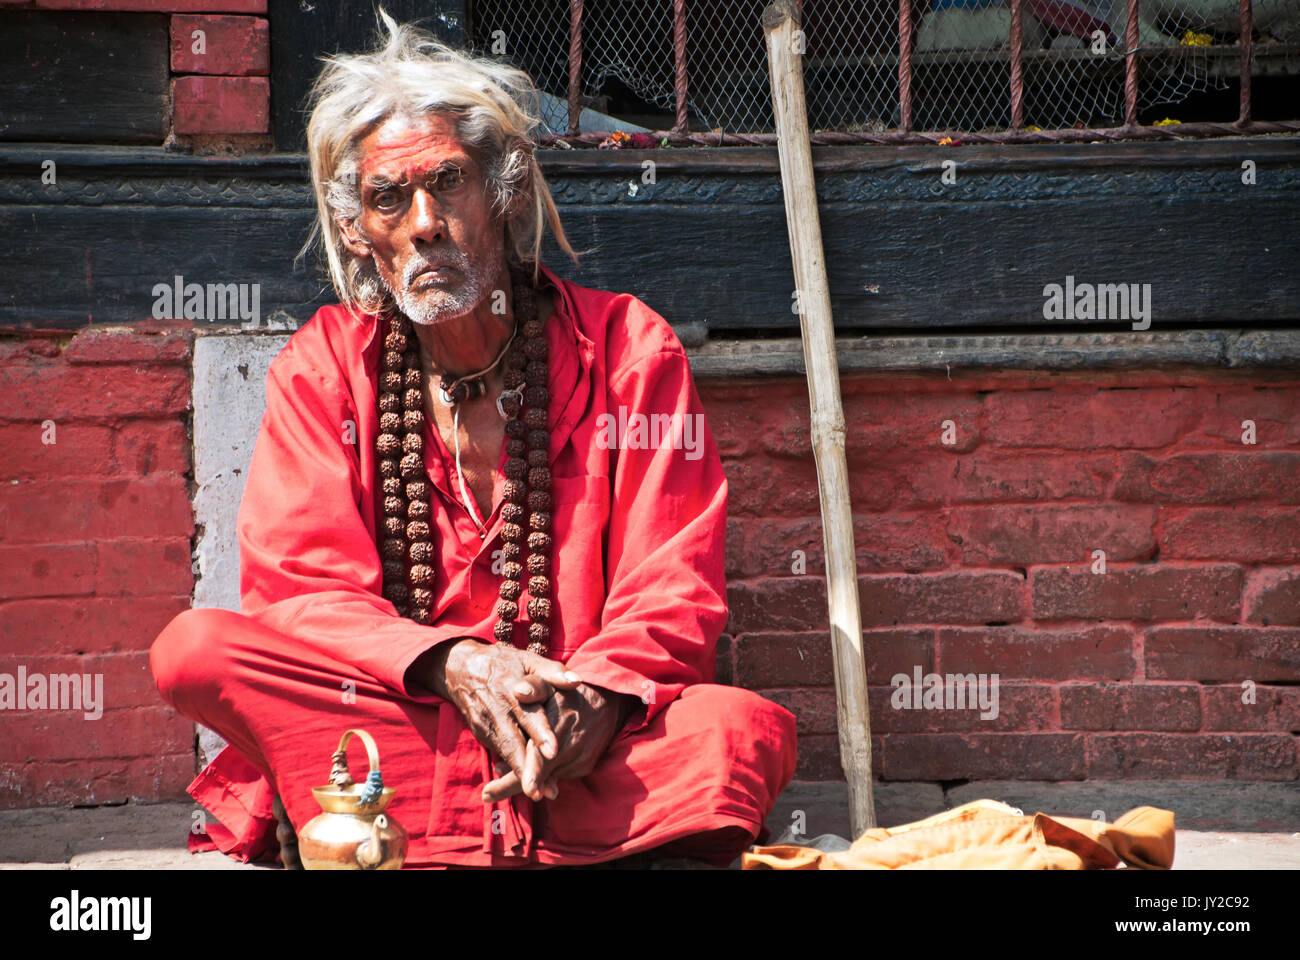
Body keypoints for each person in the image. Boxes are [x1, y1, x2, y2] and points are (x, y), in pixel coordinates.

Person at [150, 12, 797, 869]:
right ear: (357, 232)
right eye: (389, 198)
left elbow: (671, 589)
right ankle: (530, 835)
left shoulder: (631, 348)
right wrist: (455, 666)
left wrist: (592, 703)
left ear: (506, 192)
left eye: (447, 183)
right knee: (195, 649)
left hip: (576, 734)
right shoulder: (322, 368)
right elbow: (304, 594)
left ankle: (427, 835)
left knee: (733, 731)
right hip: (399, 714)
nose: (423, 223)